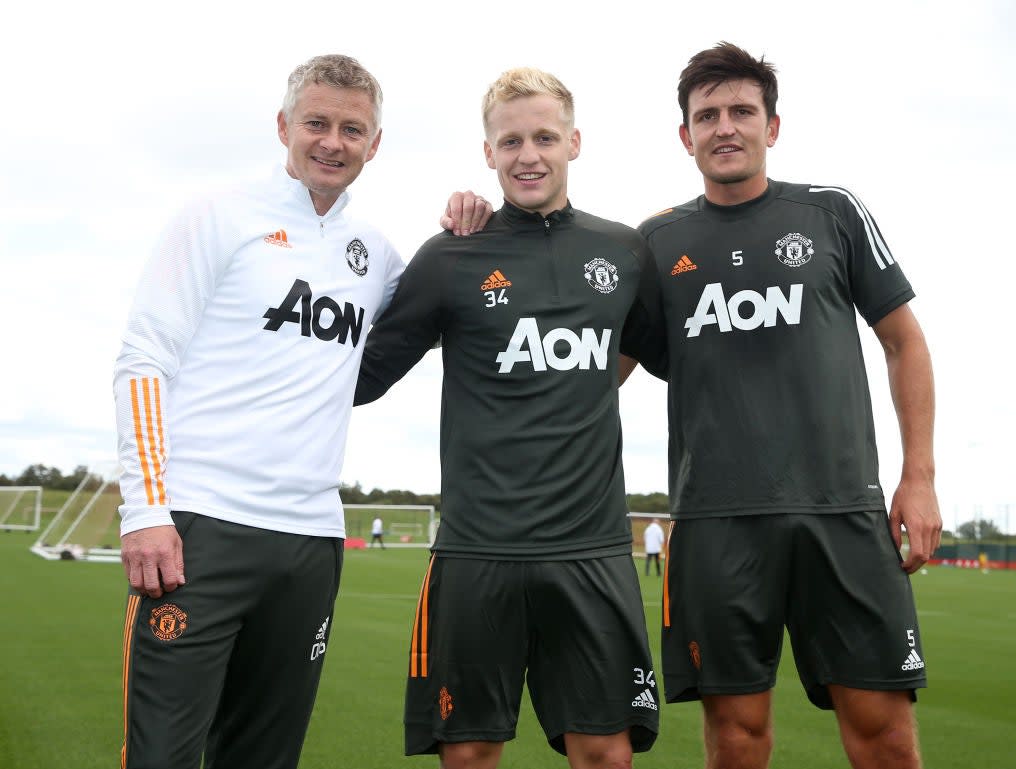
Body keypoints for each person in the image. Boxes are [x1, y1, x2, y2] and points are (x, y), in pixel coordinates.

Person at [112, 54, 489, 769]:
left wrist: (468, 225)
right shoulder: (215, 217)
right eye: (317, 123)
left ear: (374, 145)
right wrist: (146, 509)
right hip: (198, 527)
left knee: (264, 758)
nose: (332, 142)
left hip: (310, 541)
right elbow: (142, 361)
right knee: (161, 757)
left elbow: (438, 309)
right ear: (284, 125)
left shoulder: (374, 255)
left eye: (353, 129)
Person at [625, 42, 941, 769]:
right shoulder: (657, 242)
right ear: (686, 136)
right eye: (708, 115)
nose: (725, 126)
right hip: (716, 523)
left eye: (743, 110)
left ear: (773, 126)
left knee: (886, 738)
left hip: (843, 514)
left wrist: (917, 476)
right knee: (736, 743)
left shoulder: (831, 213)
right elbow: (597, 370)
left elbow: (904, 343)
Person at [355, 67, 663, 769]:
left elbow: (654, 349)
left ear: (574, 143)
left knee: (607, 754)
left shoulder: (622, 252)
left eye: (545, 137)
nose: (529, 154)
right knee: (467, 755)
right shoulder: (451, 255)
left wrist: (577, 392)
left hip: (588, 550)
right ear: (488, 152)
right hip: (477, 549)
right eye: (511, 140)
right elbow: (363, 376)